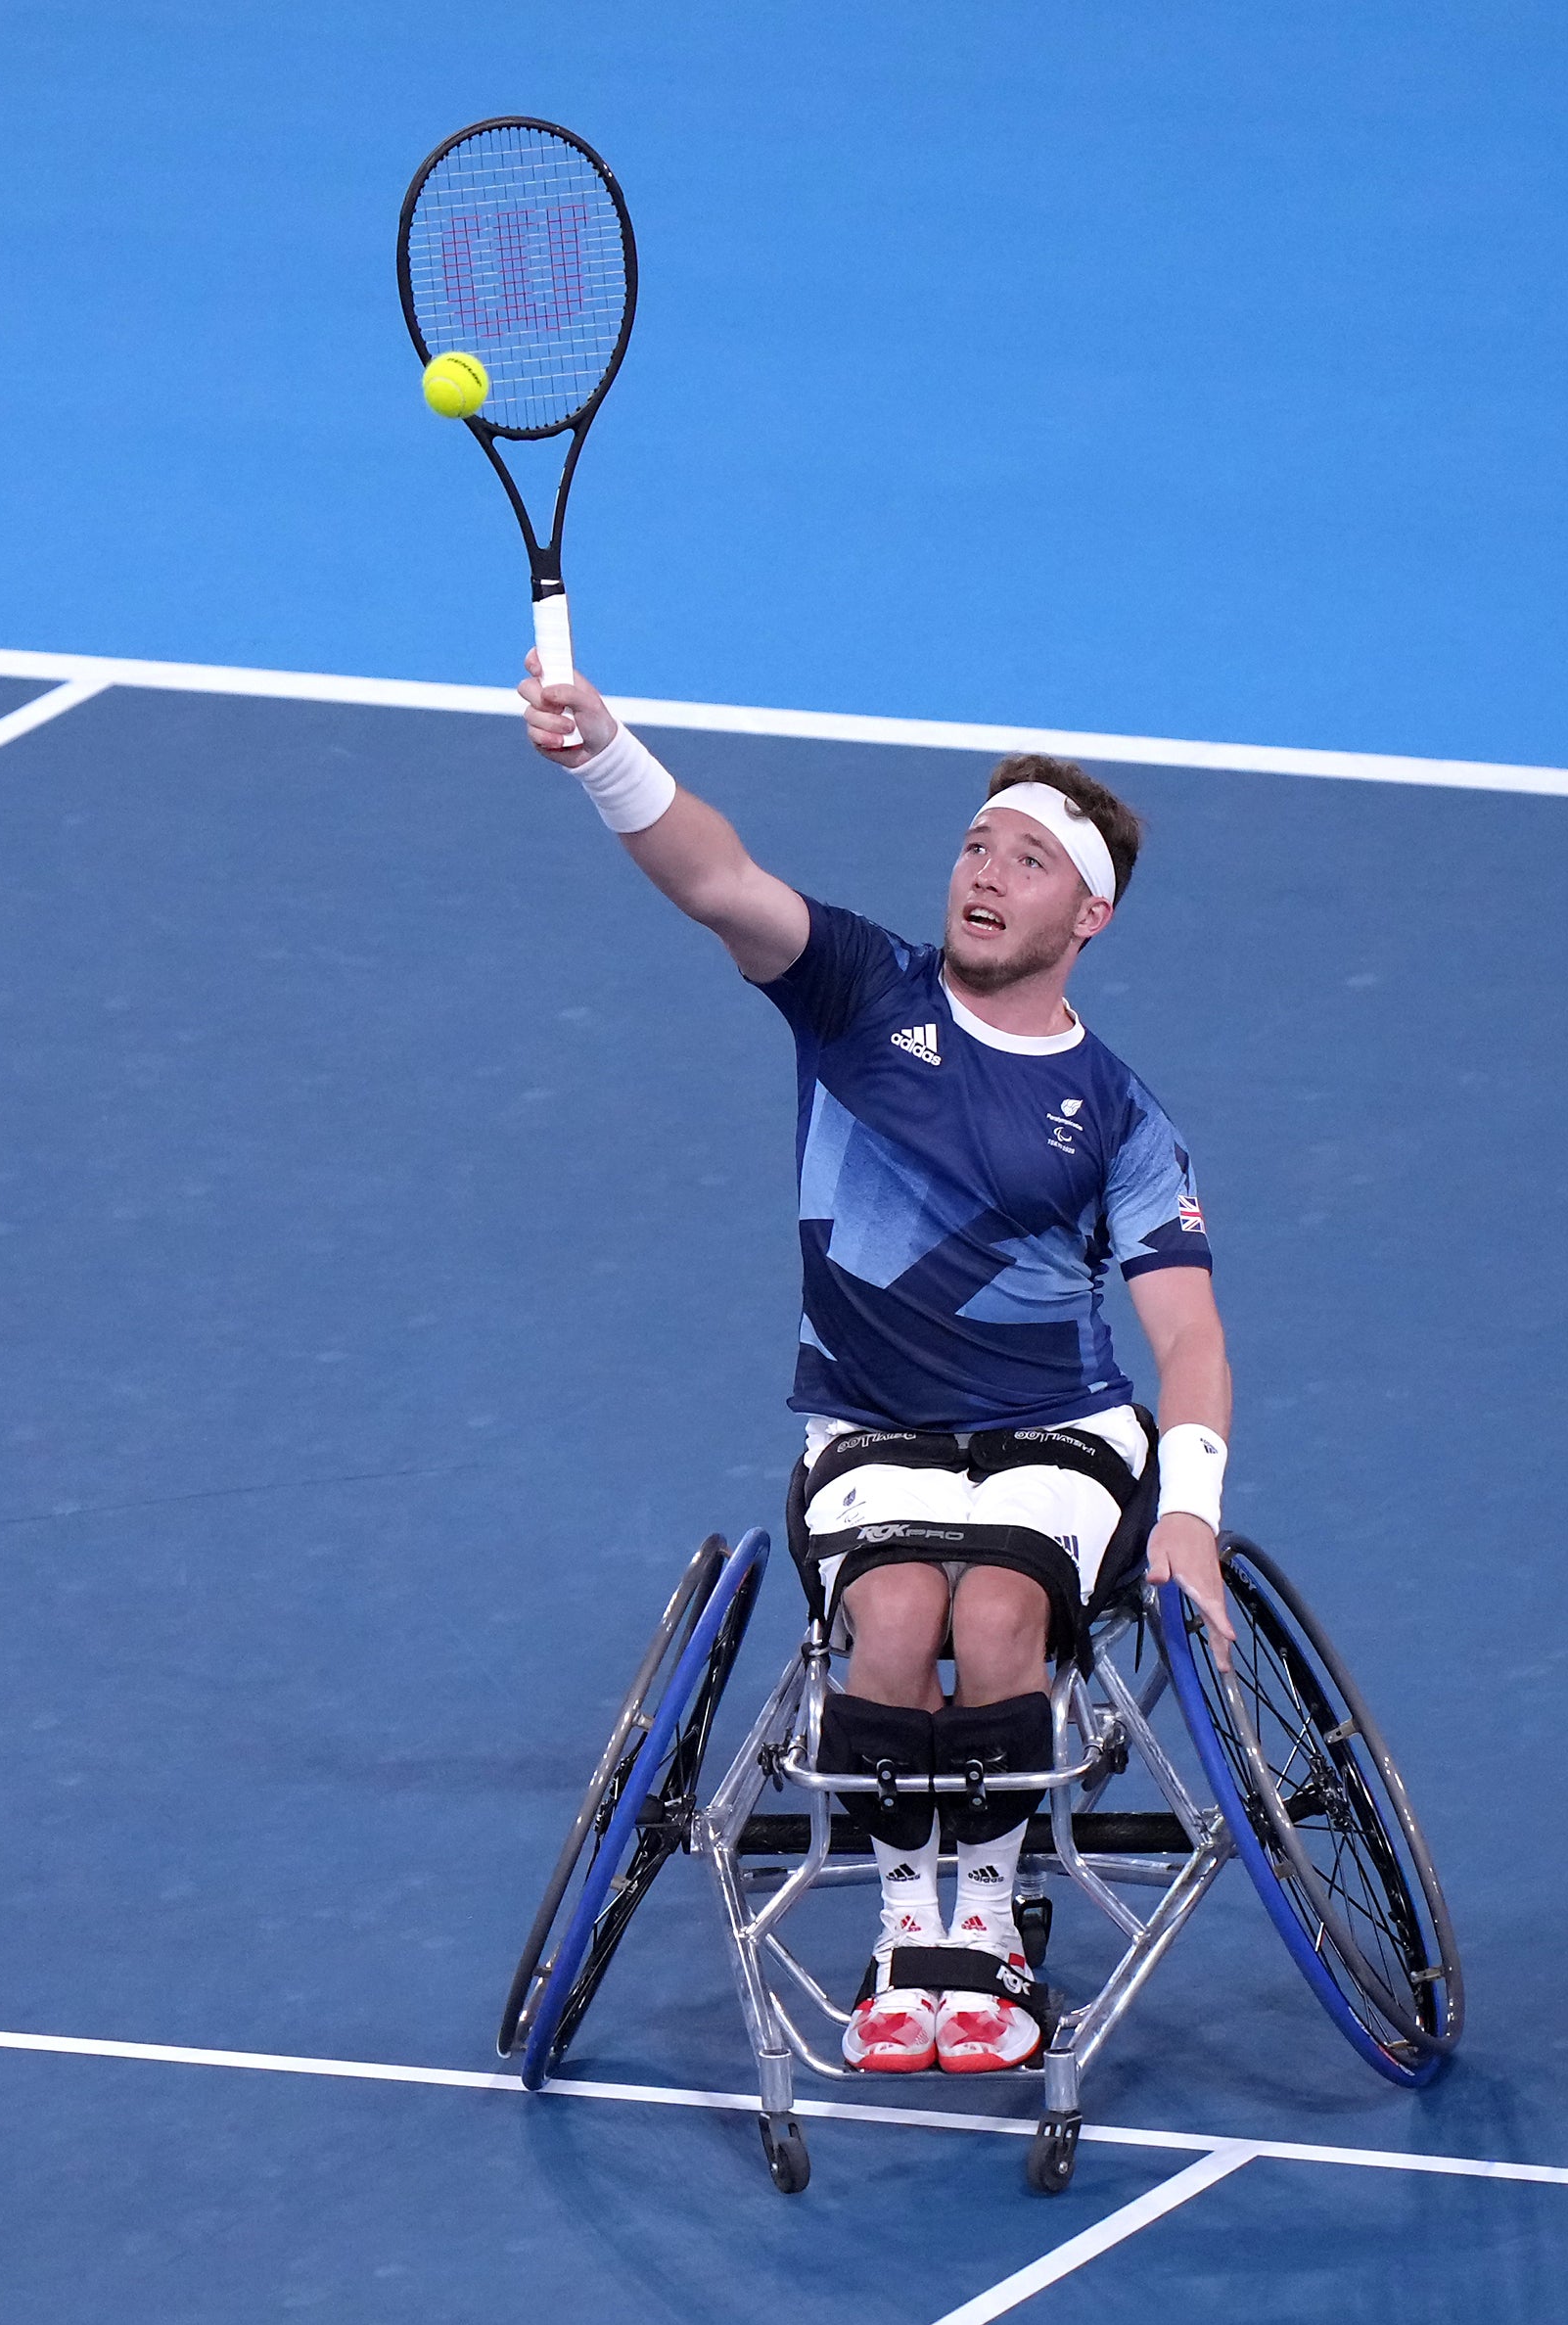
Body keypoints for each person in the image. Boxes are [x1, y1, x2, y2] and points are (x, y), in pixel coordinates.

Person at [515, 651, 1238, 2077]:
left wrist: (1195, 1511)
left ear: (1087, 914)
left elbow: (1189, 1331)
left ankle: (999, 1935)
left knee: (1005, 1621)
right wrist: (605, 750)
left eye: (1028, 860)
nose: (985, 872)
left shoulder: (1117, 1115)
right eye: (978, 844)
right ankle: (922, 1930)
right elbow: (716, 876)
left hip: (1061, 1433)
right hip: (868, 1428)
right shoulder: (856, 991)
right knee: (901, 1618)